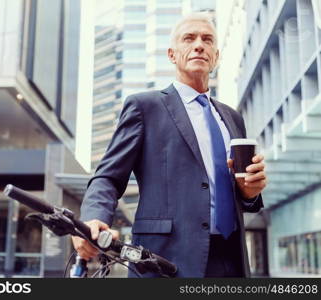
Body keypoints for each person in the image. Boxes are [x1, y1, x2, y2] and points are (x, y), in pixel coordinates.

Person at [72, 12, 266, 277]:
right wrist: (93, 219)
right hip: (165, 261)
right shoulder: (144, 107)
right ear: (172, 54)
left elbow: (239, 195)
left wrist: (249, 192)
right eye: (189, 38)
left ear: (217, 57)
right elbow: (107, 177)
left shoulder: (232, 117)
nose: (199, 44)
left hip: (231, 260)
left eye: (207, 39)